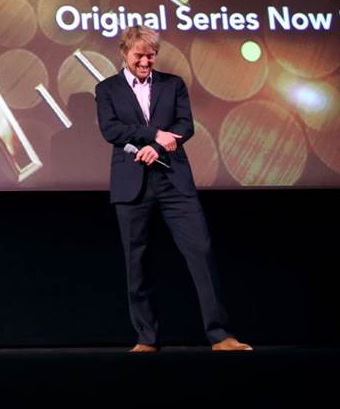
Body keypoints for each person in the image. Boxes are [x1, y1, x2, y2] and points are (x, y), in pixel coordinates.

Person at [94, 26, 251, 352]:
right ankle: (146, 338)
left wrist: (158, 148)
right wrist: (153, 136)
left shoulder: (173, 84)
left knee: (201, 252)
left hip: (174, 182)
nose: (145, 62)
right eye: (139, 55)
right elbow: (111, 130)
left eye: (151, 55)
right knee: (136, 262)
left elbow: (185, 125)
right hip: (131, 184)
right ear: (124, 53)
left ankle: (221, 335)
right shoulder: (107, 89)